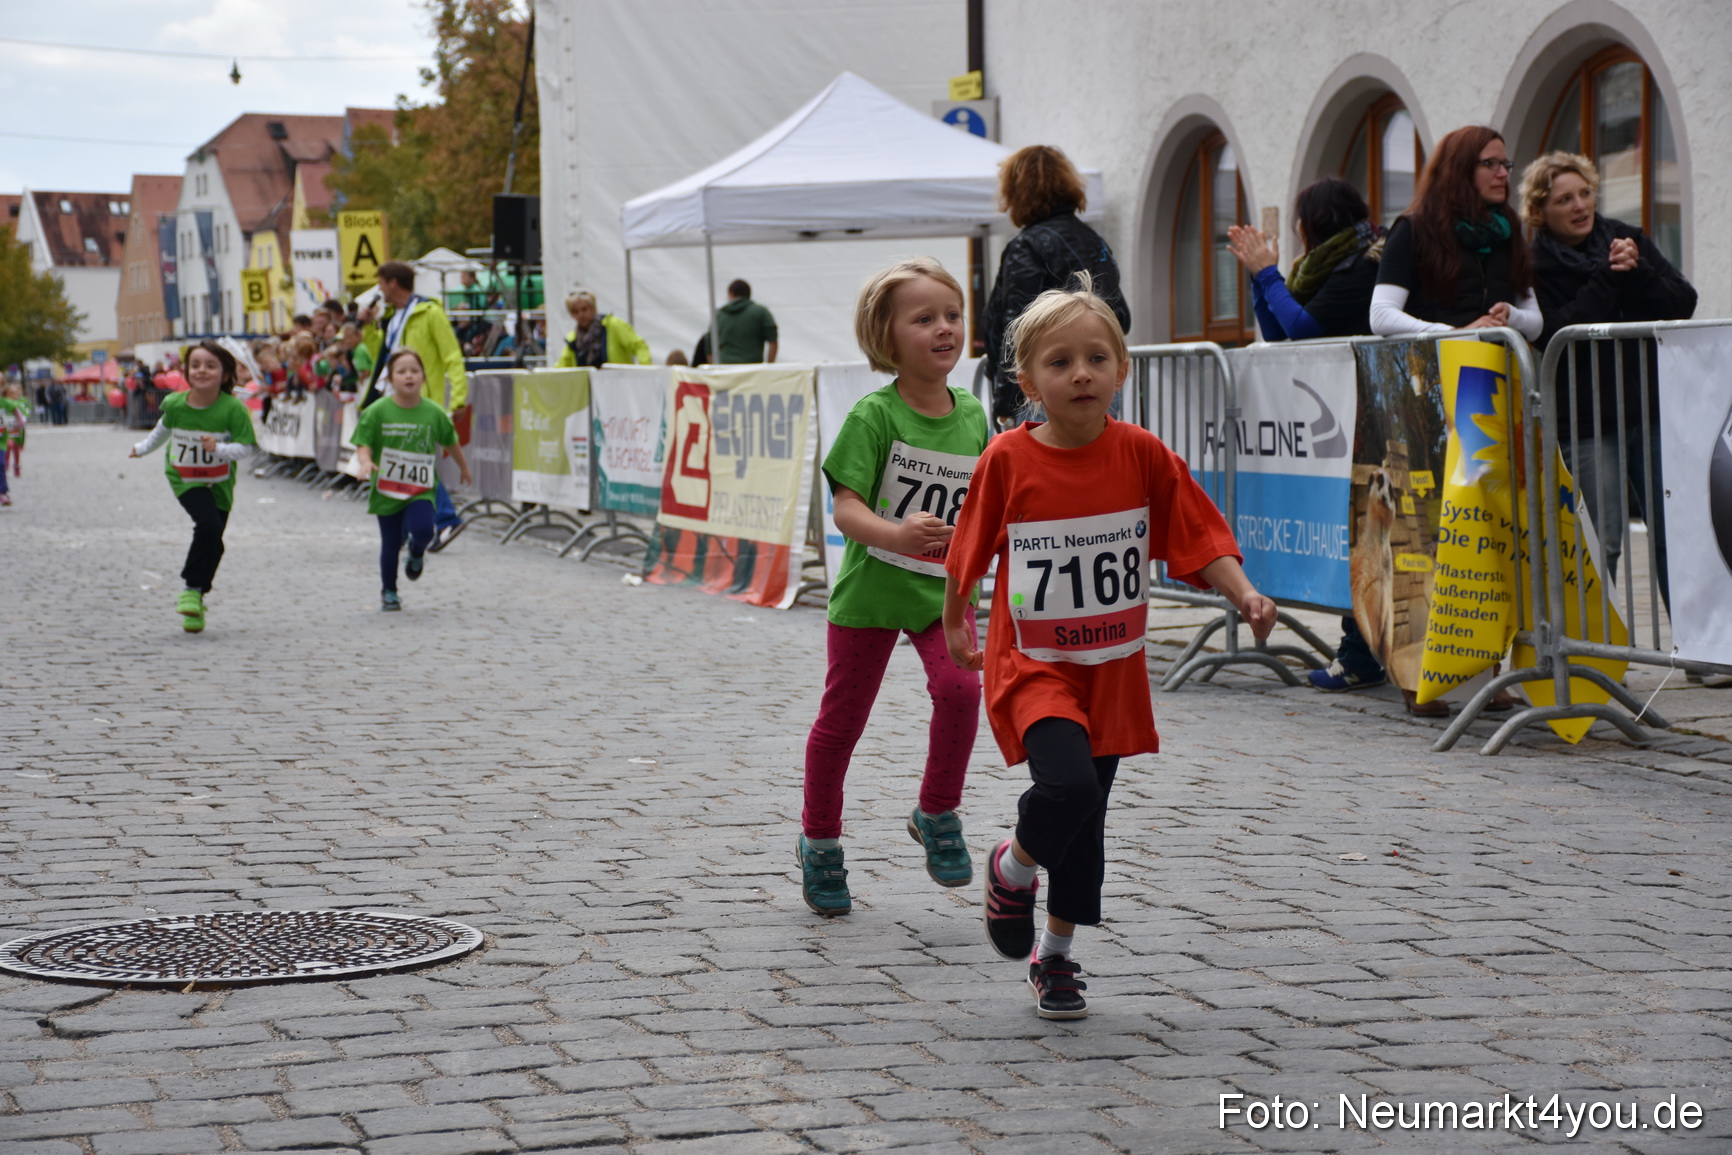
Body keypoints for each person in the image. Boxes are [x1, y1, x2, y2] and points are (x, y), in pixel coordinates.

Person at [943, 274, 1274, 1019]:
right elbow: (971, 541)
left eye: (1097, 357)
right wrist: (956, 612)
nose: (1081, 373)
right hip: (1034, 660)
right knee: (1069, 788)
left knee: (1087, 816)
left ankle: (1055, 956)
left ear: (1122, 369)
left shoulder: (1141, 453)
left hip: (1111, 667)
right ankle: (1013, 863)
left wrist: (1242, 592)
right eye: (1060, 362)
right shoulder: (1009, 458)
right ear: (1028, 381)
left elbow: (1194, 529)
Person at [796, 258, 991, 917]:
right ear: (886, 335)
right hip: (872, 594)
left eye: (953, 315)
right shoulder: (873, 414)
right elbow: (844, 508)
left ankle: (936, 810)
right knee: (841, 724)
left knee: (962, 688)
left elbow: (985, 503)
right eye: (924, 317)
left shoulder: (972, 415)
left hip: (941, 595)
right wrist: (895, 533)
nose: (944, 328)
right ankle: (819, 839)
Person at [1226, 179, 1405, 703]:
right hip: (1347, 423)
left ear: (1311, 225)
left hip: (1369, 420)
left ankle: (1361, 655)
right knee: (1351, 532)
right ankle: (1360, 651)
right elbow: (1277, 334)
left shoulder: (1362, 264)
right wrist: (1263, 282)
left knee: (1364, 534)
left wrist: (1267, 272)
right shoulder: (1328, 266)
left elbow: (1303, 329)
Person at [1521, 151, 1696, 603]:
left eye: (1586, 193)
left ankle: (1696, 651)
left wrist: (1635, 272)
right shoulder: (1530, 266)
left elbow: (1682, 302)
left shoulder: (1626, 239)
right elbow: (1558, 330)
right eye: (1564, 199)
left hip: (1651, 409)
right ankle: (1596, 657)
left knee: (1672, 531)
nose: (1580, 206)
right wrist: (1608, 278)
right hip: (1586, 422)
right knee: (1603, 539)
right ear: (1539, 211)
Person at [982, 145, 1130, 424]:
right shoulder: (1093, 239)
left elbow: (1015, 325)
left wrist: (1004, 400)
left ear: (1017, 192)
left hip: (1045, 391)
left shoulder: (1026, 245)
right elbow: (1119, 314)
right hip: (1098, 384)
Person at [127, 340, 257, 634]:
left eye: (210, 366)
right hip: (184, 476)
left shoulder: (233, 408)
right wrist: (142, 448)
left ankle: (196, 601)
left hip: (219, 481)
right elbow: (163, 430)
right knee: (208, 527)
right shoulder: (175, 403)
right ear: (186, 371)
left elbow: (246, 448)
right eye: (195, 365)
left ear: (225, 374)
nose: (201, 371)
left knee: (215, 539)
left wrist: (220, 448)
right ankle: (191, 587)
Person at [1371, 126, 1540, 340]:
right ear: (1459, 168)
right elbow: (1381, 315)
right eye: (1489, 164)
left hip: (1496, 369)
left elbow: (1535, 325)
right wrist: (1456, 334)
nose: (1503, 174)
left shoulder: (1508, 230)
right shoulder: (1413, 229)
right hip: (1434, 367)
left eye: (1505, 164)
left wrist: (1510, 314)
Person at [351, 348, 473, 612]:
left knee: (424, 530)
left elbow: (451, 442)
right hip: (387, 488)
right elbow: (364, 442)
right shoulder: (377, 411)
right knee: (391, 542)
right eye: (401, 371)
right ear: (390, 378)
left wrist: (464, 467)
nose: (409, 376)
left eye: (414, 371)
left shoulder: (433, 412)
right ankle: (390, 591)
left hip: (420, 488)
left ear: (424, 377)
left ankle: (417, 553)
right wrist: (365, 461)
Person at [360, 261, 470, 550]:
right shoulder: (393, 317)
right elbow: (380, 358)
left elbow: (452, 355)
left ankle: (445, 519)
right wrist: (370, 326)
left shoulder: (429, 313)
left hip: (423, 402)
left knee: (413, 463)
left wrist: (458, 397)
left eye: (381, 283)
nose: (379, 290)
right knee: (403, 463)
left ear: (393, 283)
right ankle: (412, 530)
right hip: (395, 400)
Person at [554, 290, 651, 368]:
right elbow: (562, 364)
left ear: (593, 308)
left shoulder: (613, 325)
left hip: (619, 385)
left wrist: (645, 370)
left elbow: (639, 345)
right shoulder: (572, 338)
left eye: (584, 309)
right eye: (575, 312)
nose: (581, 315)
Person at [697, 279, 778, 365]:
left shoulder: (718, 315)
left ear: (731, 293)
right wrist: (769, 364)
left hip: (725, 369)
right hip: (753, 369)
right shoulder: (761, 312)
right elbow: (773, 341)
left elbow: (709, 345)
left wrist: (716, 367)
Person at [0, 382, 27, 503]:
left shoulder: (7, 403)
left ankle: (2, 492)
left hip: (2, 439)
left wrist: (11, 435)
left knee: (1, 462)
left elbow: (19, 419)